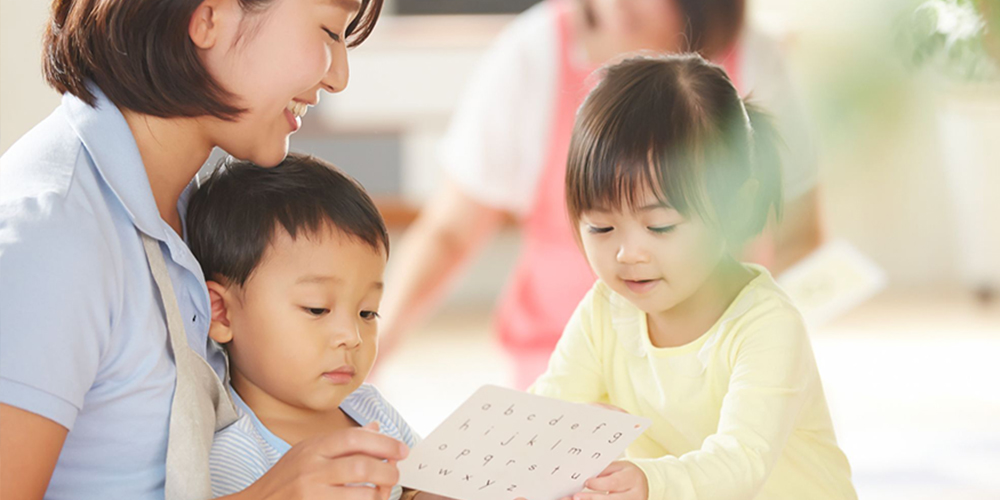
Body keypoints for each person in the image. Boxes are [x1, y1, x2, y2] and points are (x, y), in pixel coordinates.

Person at [0, 0, 410, 498]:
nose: (338, 77)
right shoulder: (53, 237)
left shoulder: (188, 209)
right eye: (328, 31)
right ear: (209, 18)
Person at [379, 0, 823, 389]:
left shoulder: (753, 58)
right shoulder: (533, 52)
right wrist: (374, 345)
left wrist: (741, 336)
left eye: (660, 225)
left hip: (714, 361)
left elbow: (800, 235)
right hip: (554, 353)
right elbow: (449, 233)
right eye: (601, 226)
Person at [529, 54, 855, 500]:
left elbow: (742, 460)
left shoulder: (766, 325)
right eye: (601, 227)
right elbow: (544, 411)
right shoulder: (606, 311)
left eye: (660, 226)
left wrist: (650, 482)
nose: (627, 254)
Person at [184, 155, 440, 500]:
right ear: (222, 314)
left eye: (367, 313)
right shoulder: (235, 455)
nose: (352, 336)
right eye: (317, 308)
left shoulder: (369, 408)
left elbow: (416, 488)